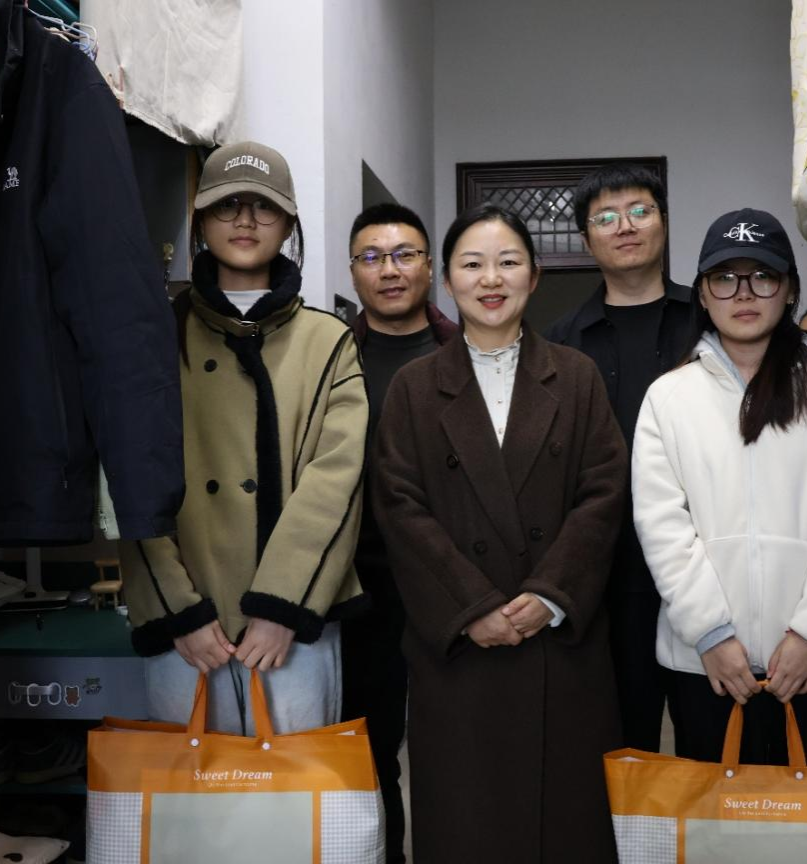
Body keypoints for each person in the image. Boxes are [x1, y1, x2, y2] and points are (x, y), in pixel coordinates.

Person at [374, 204, 626, 862]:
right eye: (473, 264)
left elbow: (603, 495)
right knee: (470, 825)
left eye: (508, 262)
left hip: (558, 645)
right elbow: (400, 508)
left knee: (566, 829)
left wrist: (549, 594)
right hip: (461, 652)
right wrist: (473, 606)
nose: (492, 279)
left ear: (534, 276)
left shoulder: (576, 376)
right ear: (446, 280)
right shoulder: (413, 388)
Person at [118, 141, 368, 735]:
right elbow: (128, 477)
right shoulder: (154, 335)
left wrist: (282, 607)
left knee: (299, 788)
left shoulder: (328, 341)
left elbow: (336, 483)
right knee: (194, 790)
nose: (246, 221)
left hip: (293, 623)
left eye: (265, 206)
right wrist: (179, 610)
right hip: (187, 625)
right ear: (201, 220)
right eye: (228, 205)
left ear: (288, 223)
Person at [632, 208, 807, 765]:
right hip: (706, 665)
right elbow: (663, 528)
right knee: (717, 815)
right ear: (703, 294)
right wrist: (711, 635)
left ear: (789, 289)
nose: (743, 293)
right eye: (724, 278)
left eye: (763, 276)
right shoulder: (668, 398)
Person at [546, 163, 692, 752]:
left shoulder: (709, 322)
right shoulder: (560, 342)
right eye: (605, 217)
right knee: (624, 747)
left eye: (639, 211)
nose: (625, 226)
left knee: (715, 742)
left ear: (664, 222)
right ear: (587, 241)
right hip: (607, 576)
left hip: (706, 564)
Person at [342, 202, 457, 864]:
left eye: (404, 254)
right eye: (372, 257)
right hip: (359, 589)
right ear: (353, 271)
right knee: (368, 748)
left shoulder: (464, 351)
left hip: (451, 583)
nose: (389, 270)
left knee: (456, 745)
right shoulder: (332, 356)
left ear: (430, 267)